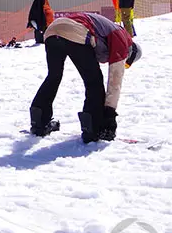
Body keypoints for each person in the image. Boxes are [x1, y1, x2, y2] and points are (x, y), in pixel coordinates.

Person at [29, 11, 142, 143]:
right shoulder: (123, 40)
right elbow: (114, 82)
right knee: (94, 82)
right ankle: (92, 129)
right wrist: (110, 115)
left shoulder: (109, 33)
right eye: (126, 63)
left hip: (52, 30)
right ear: (130, 52)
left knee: (54, 75)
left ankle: (39, 122)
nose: (123, 64)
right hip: (76, 30)